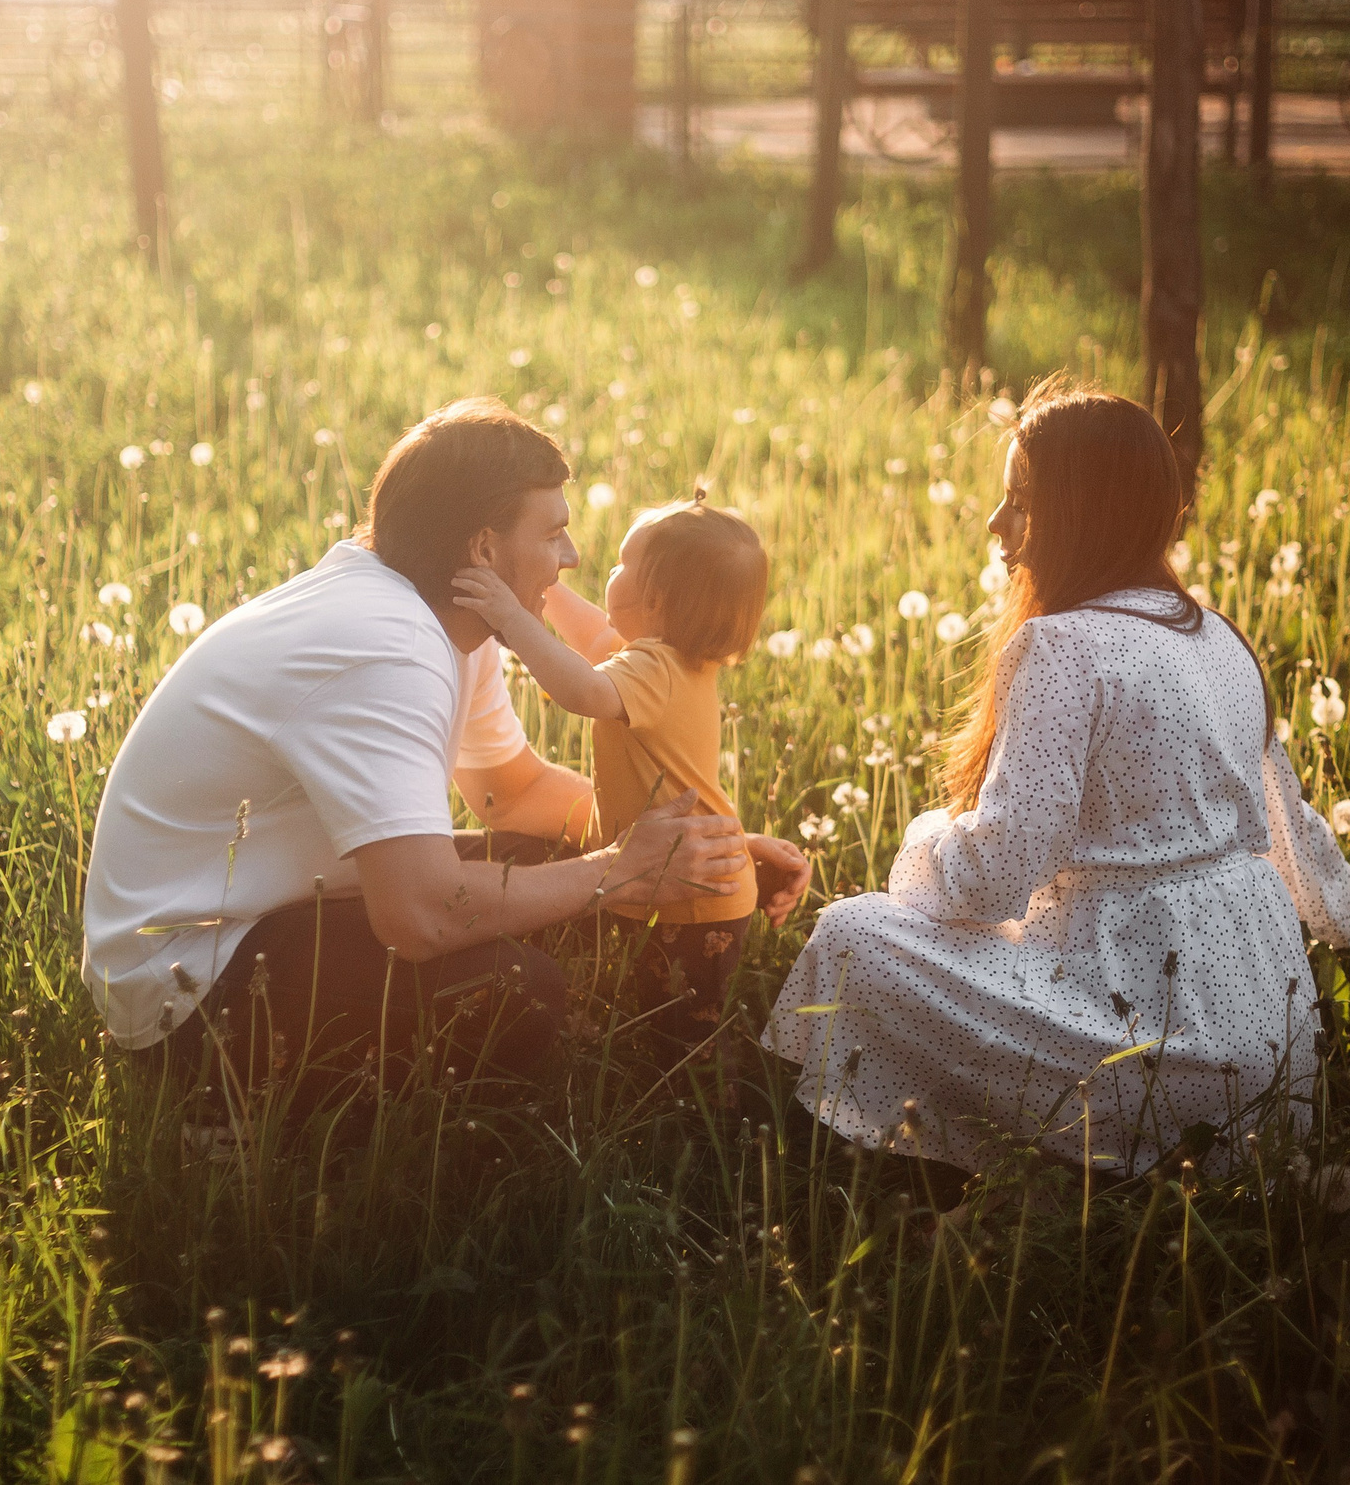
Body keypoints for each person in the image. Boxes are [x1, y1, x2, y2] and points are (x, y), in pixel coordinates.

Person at [764, 383, 1350, 1183]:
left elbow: (998, 872)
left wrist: (922, 845)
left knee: (854, 933)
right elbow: (1283, 818)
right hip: (1269, 1068)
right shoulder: (1218, 636)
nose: (995, 522)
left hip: (1146, 1053)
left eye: (1021, 502)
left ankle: (826, 1160)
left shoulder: (1061, 646)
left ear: (1083, 513)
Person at [79, 397, 809, 1094]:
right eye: (552, 533)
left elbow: (513, 793)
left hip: (279, 907)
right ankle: (227, 1114)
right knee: (518, 992)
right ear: (484, 548)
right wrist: (621, 868)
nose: (573, 555)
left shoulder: (442, 615)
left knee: (553, 868)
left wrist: (702, 842)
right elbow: (420, 915)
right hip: (188, 986)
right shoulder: (387, 649)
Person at [451, 497, 783, 1045]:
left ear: (654, 598)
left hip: (692, 899)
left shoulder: (653, 670)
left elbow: (583, 690)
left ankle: (706, 1091)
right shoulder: (669, 660)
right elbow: (592, 639)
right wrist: (540, 587)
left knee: (684, 1036)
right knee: (661, 1009)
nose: (608, 570)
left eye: (622, 564)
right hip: (686, 877)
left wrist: (512, 616)